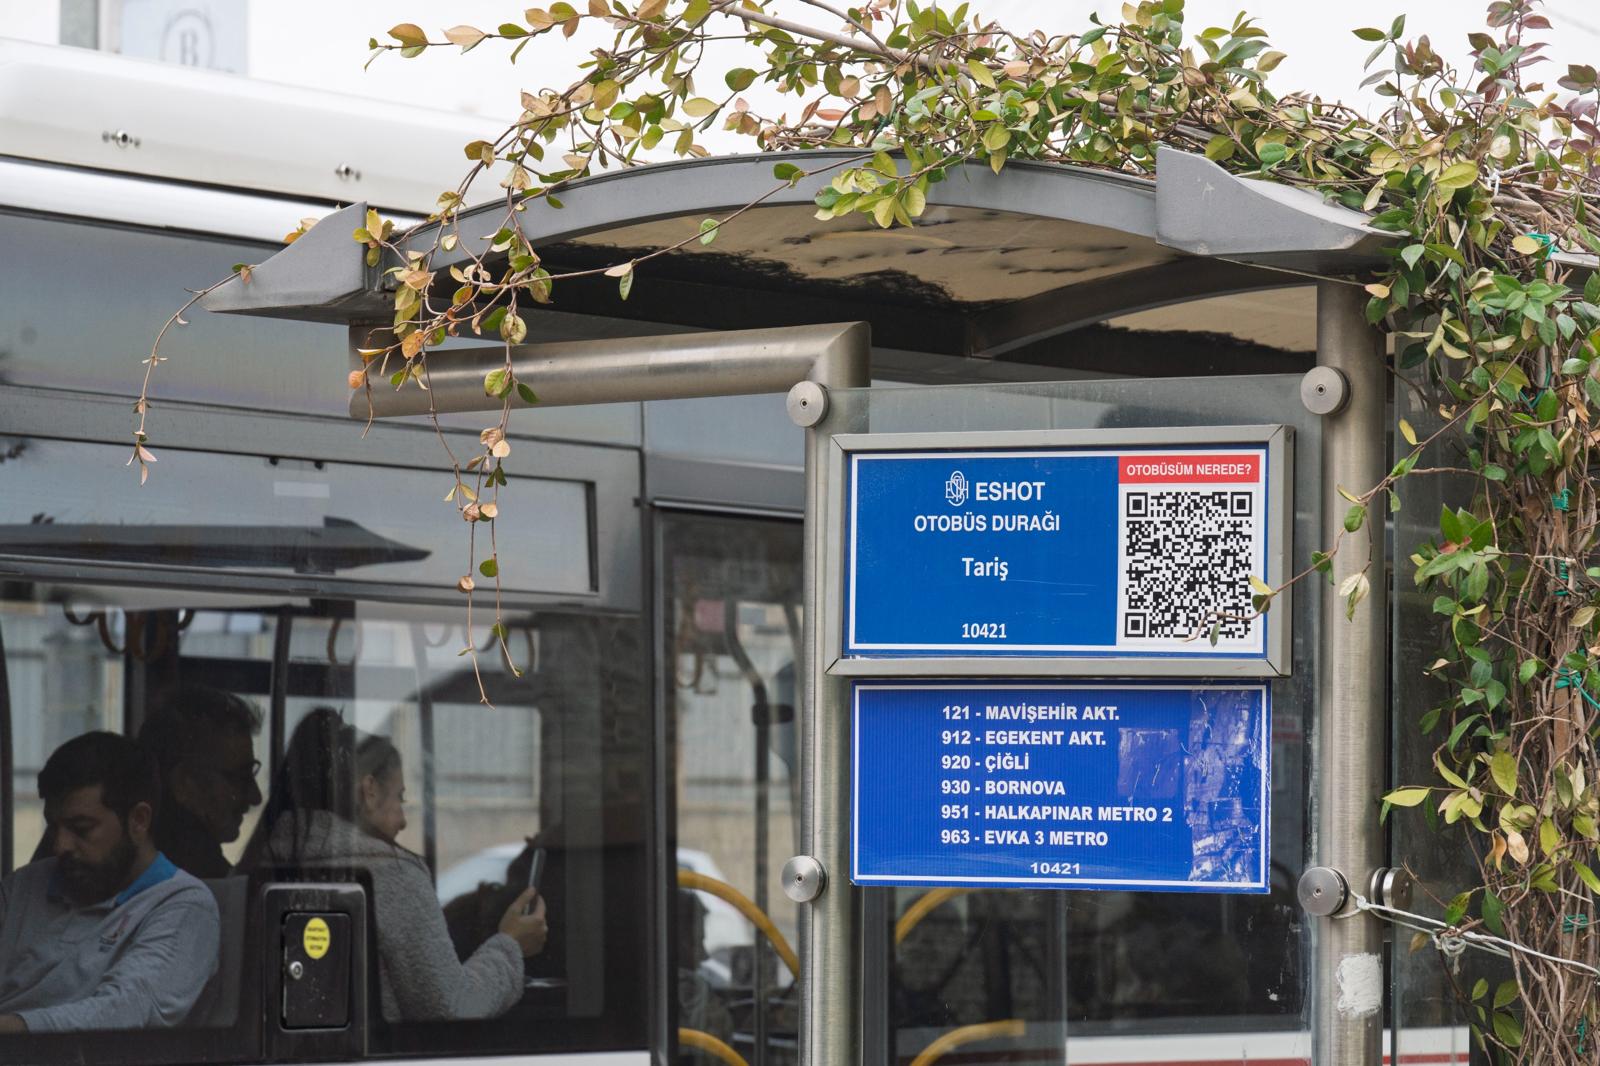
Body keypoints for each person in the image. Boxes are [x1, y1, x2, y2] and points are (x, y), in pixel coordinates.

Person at [242, 709, 546, 1022]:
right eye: (400, 797)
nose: (403, 821)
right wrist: (511, 946)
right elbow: (453, 1006)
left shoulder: (269, 860)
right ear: (370, 791)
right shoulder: (394, 876)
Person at [0, 732, 220, 1033]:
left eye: (81, 829)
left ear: (138, 820)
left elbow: (125, 1010)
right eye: (53, 827)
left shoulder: (183, 906)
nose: (60, 846)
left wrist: (13, 1030)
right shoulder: (24, 886)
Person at [138, 684, 264, 879]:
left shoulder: (146, 861)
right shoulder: (201, 877)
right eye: (240, 777)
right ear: (184, 784)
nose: (255, 796)